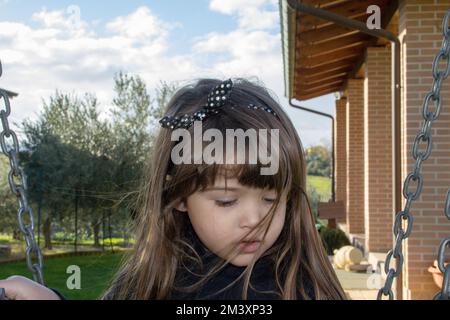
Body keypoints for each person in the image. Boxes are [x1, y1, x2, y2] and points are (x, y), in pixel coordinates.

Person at [0, 78, 346, 300]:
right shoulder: (153, 276)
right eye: (226, 201)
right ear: (179, 196)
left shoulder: (297, 283)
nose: (255, 219)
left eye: (272, 199)